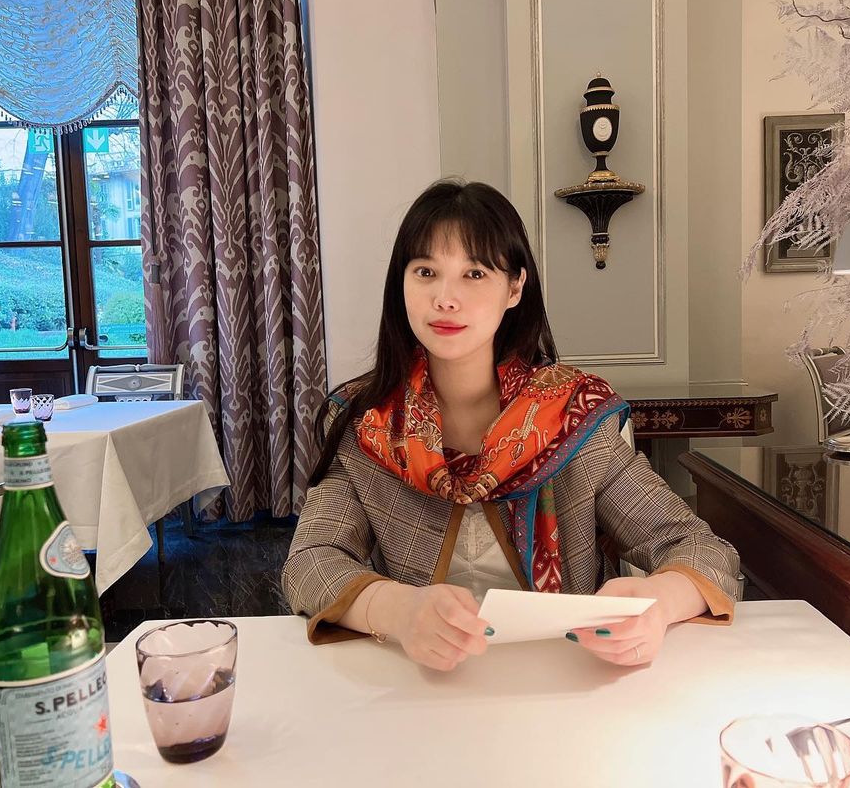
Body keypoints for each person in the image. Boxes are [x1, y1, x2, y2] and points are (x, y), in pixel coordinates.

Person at [283, 179, 740, 671]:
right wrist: (395, 609)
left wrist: (659, 603)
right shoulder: (369, 422)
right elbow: (310, 560)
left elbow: (703, 549)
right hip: (423, 684)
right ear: (402, 284)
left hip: (566, 678)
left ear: (515, 287)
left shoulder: (571, 417)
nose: (445, 298)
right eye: (426, 272)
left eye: (475, 273)